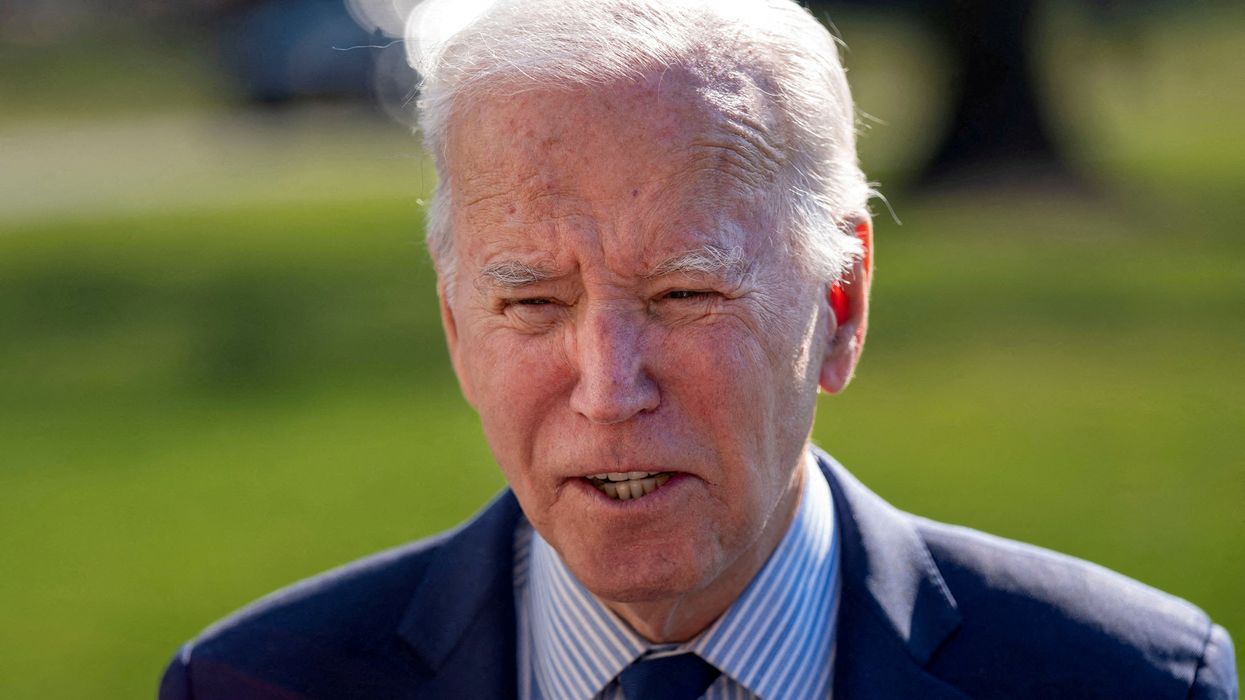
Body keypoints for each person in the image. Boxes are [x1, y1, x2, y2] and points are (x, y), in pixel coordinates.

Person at [159, 0, 1237, 698]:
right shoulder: (254, 683)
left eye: (684, 293)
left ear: (842, 301)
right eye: (531, 302)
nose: (608, 385)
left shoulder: (1129, 679)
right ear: (455, 324)